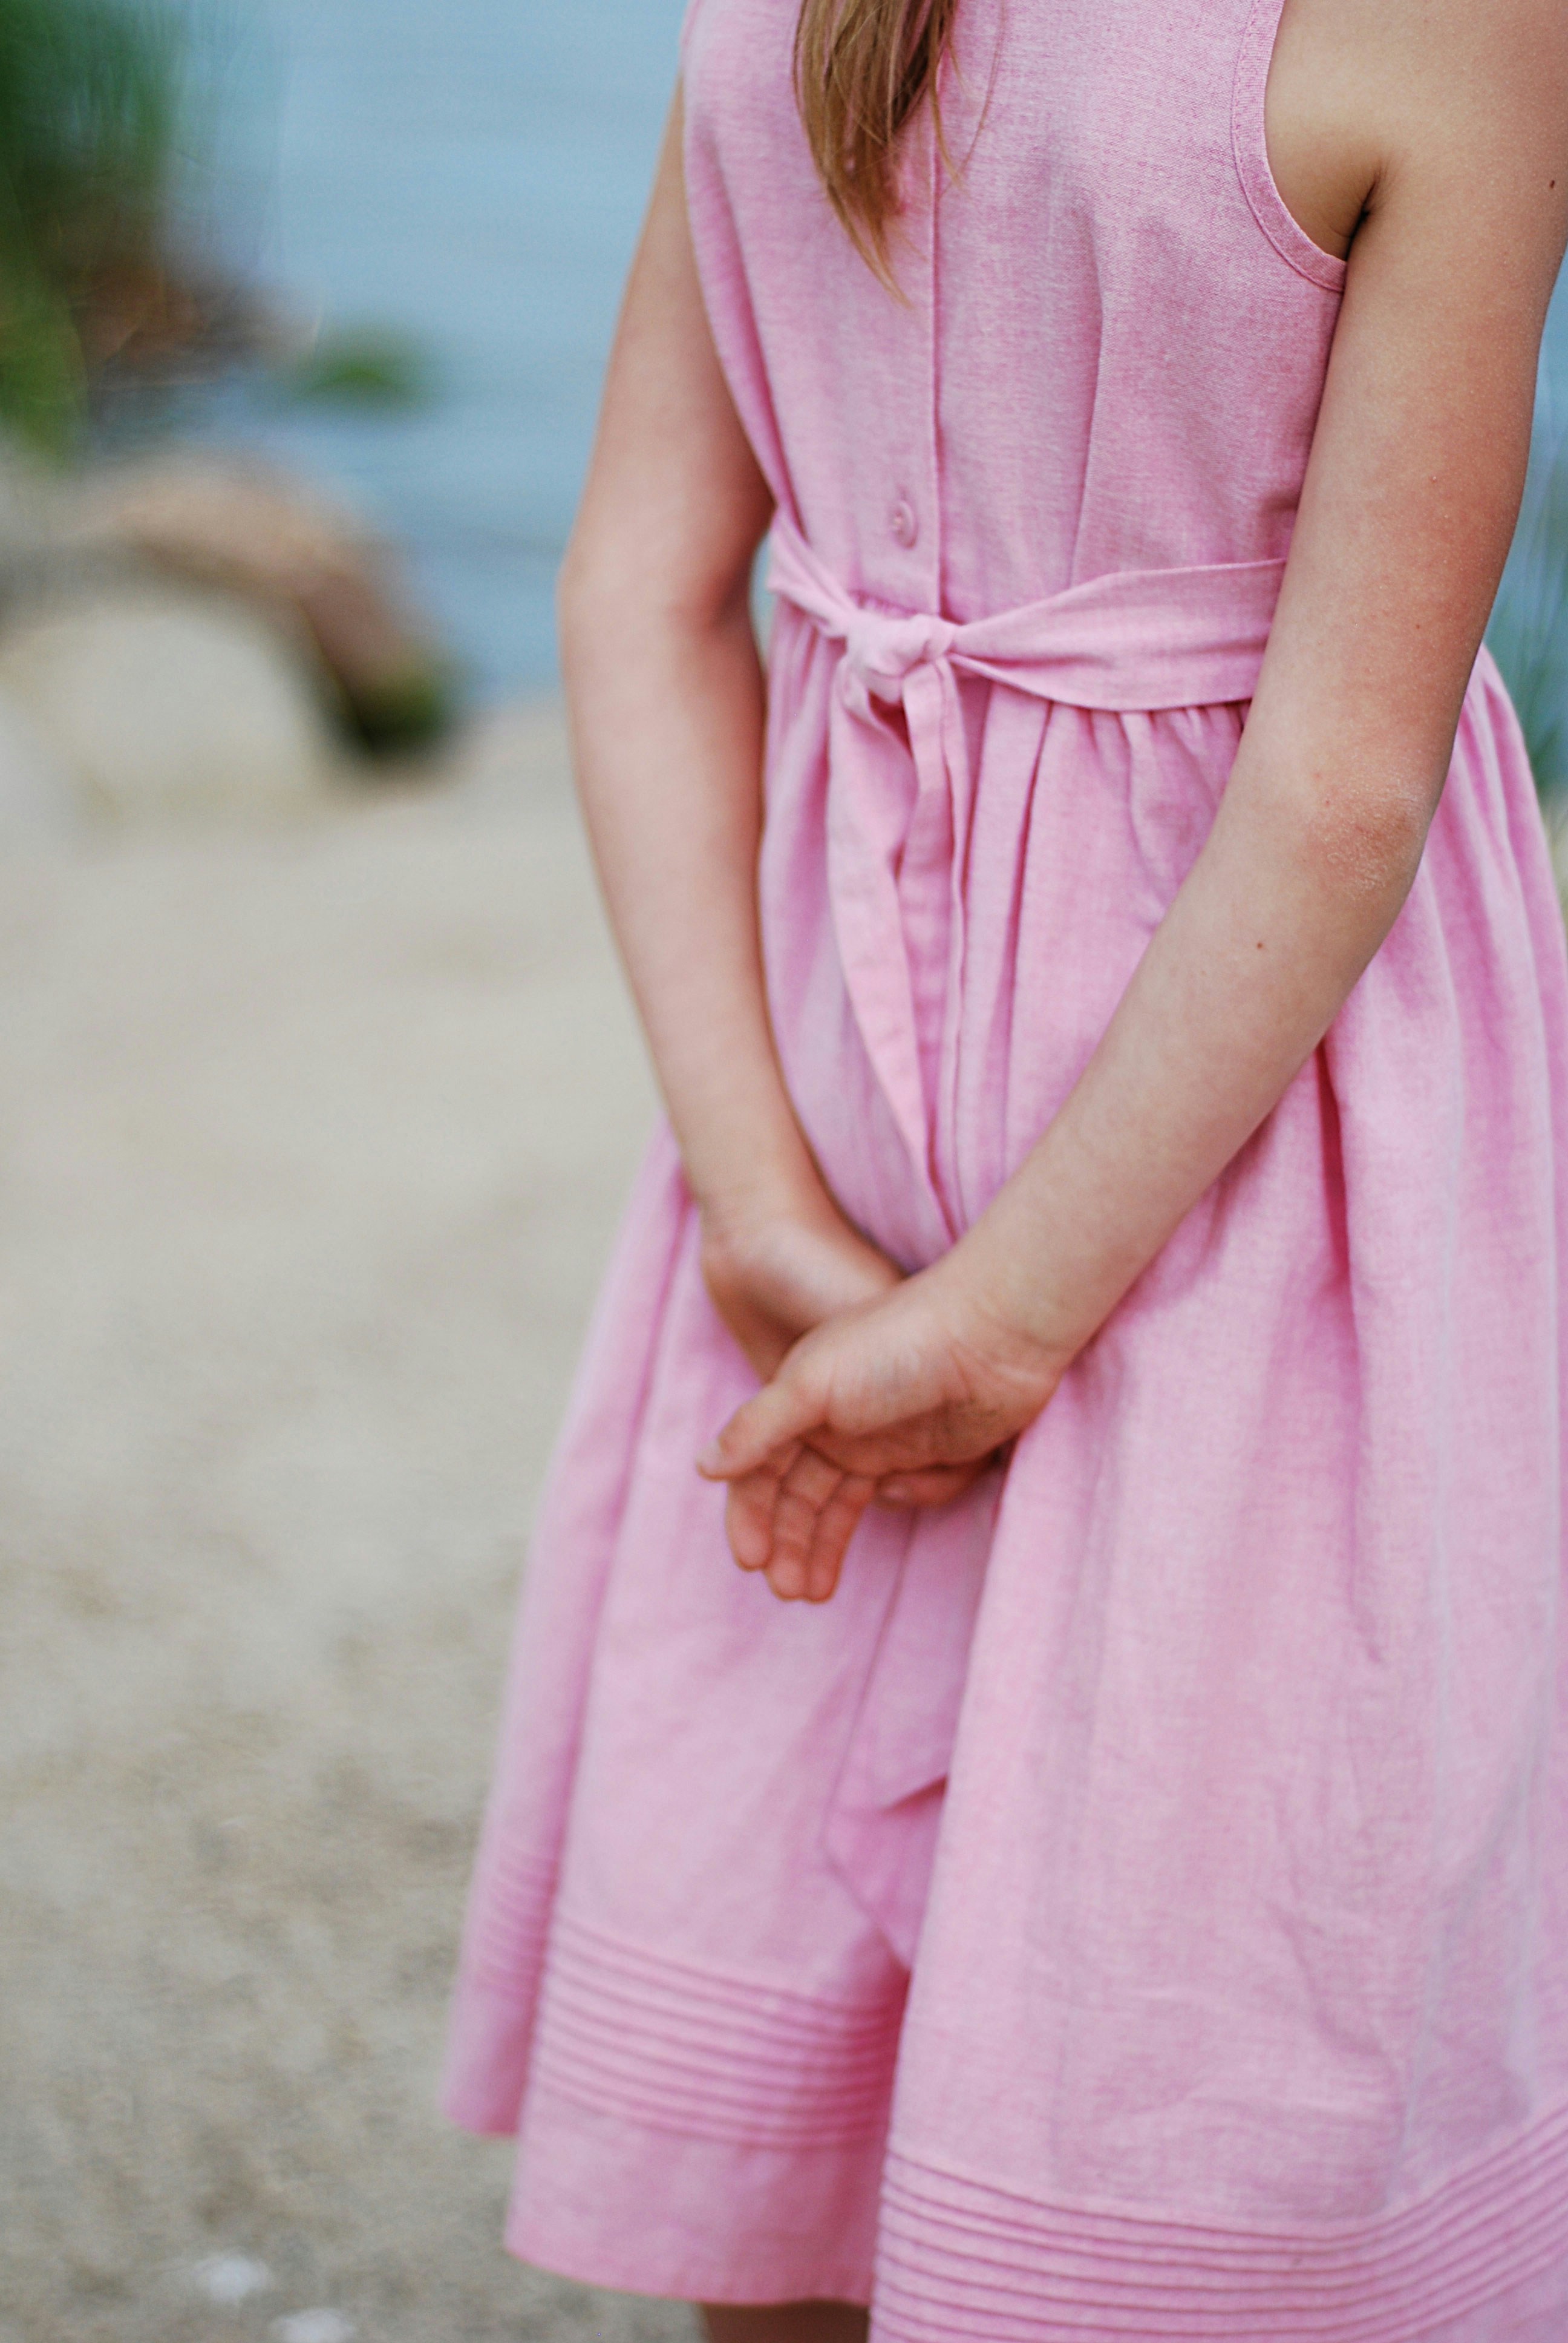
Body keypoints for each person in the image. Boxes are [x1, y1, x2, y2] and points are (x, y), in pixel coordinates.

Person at [445, 0, 1568, 2334]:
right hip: (1246, 1134)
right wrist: (1018, 1311)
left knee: (802, 1944)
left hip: (843, 1083)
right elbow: (1346, 778)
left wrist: (763, 1199)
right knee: (1214, 1917)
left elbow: (636, 594)